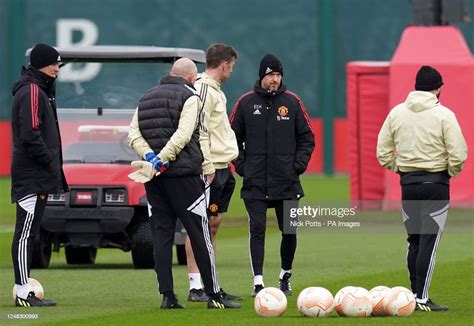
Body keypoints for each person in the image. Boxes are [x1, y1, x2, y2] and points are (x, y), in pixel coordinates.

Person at [128, 58, 240, 309]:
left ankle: (168, 296)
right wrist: (165, 160)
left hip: (155, 180)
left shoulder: (145, 97)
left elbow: (133, 134)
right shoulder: (191, 96)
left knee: (161, 236)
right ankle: (214, 295)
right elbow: (186, 134)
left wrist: (150, 158)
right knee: (200, 233)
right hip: (185, 178)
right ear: (191, 78)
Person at [377, 66, 467, 311]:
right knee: (429, 242)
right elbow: (459, 153)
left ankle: (413, 296)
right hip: (436, 185)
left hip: (408, 184)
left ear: (416, 87)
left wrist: (401, 168)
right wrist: (449, 172)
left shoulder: (397, 113)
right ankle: (420, 298)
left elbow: (382, 152)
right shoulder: (444, 114)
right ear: (438, 88)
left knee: (414, 241)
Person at [230, 54, 315, 297]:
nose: (275, 79)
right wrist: (242, 166)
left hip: (287, 181)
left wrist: (297, 165)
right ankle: (258, 282)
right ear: (262, 76)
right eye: (271, 75)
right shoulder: (245, 103)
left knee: (289, 230)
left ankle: (285, 274)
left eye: (278, 75)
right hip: (255, 182)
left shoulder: (293, 101)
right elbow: (231, 138)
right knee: (257, 229)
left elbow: (307, 137)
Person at [10, 43, 68, 307]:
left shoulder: (41, 89)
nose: (58, 68)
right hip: (32, 174)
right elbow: (30, 134)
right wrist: (48, 161)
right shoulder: (33, 90)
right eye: (54, 63)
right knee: (25, 233)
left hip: (39, 174)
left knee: (31, 232)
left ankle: (24, 285)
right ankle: (23, 290)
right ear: (42, 64)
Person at [185, 43, 242, 303]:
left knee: (212, 226)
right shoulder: (203, 89)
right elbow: (200, 131)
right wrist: (206, 166)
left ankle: (211, 283)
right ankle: (197, 287)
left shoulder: (214, 90)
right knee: (199, 226)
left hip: (222, 167)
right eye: (232, 65)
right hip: (210, 169)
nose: (232, 70)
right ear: (225, 64)